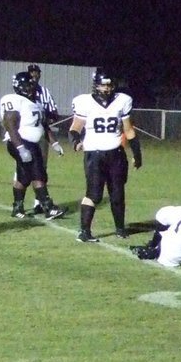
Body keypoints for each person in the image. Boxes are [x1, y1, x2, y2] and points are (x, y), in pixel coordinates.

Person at [68, 69, 141, 242]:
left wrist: (137, 154)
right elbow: (74, 128)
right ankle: (84, 231)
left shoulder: (122, 100)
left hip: (116, 153)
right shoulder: (84, 102)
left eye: (109, 85)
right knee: (94, 194)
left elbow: (128, 130)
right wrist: (76, 141)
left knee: (117, 193)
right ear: (96, 85)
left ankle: (120, 228)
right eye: (103, 85)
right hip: (94, 153)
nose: (107, 89)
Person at [0, 71, 66, 220]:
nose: (29, 88)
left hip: (31, 144)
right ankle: (48, 207)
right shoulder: (14, 100)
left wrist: (55, 143)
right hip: (21, 142)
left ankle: (17, 208)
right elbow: (10, 126)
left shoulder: (36, 104)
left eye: (30, 85)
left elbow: (44, 126)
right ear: (18, 86)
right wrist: (21, 148)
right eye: (26, 86)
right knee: (38, 174)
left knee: (23, 177)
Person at [26, 63, 65, 212]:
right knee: (22, 171)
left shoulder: (44, 92)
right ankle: (19, 204)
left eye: (37, 73)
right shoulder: (20, 92)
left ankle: (38, 203)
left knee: (40, 169)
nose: (34, 76)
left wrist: (45, 119)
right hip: (23, 135)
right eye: (32, 73)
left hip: (40, 133)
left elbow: (54, 112)